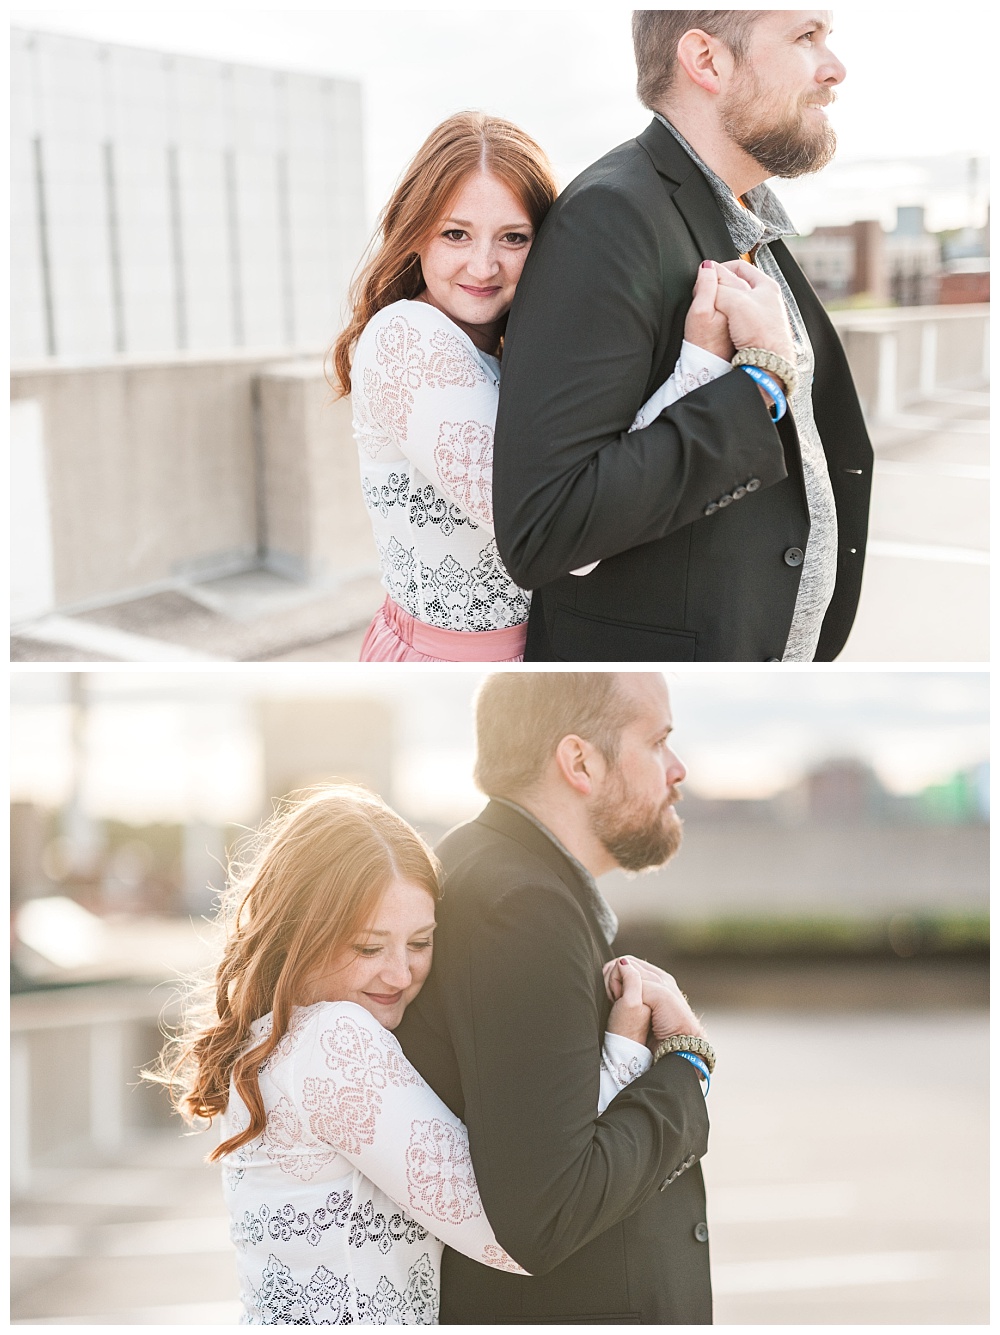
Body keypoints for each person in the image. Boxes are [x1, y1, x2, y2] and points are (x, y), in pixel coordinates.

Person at [151, 784, 693, 1324]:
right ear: (300, 933)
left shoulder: (269, 1038)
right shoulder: (331, 1039)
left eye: (420, 942)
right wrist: (637, 1054)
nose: (400, 973)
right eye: (368, 946)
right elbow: (512, 1235)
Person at [492, 10, 874, 662]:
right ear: (707, 61)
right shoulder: (611, 219)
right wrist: (756, 383)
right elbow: (546, 528)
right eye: (806, 37)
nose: (834, 67)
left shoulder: (753, 222)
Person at [330, 111, 763, 662]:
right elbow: (567, 534)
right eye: (455, 233)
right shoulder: (405, 338)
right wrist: (701, 361)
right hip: (448, 665)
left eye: (513, 237)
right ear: (415, 233)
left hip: (543, 653)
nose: (483, 265)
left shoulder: (514, 347)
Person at [397, 672, 715, 1324]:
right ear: (579, 761)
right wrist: (688, 1064)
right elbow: (547, 1210)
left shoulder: (498, 872)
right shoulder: (525, 908)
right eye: (657, 742)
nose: (677, 769)